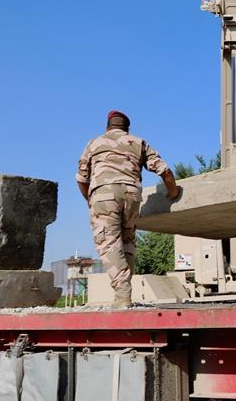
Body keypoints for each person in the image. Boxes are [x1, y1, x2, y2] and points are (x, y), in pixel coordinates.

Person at [76, 110, 181, 307]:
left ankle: (123, 296)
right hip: (132, 195)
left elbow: (82, 179)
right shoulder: (138, 142)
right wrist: (173, 192)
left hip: (103, 193)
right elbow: (165, 171)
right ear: (127, 128)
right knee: (127, 241)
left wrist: (91, 200)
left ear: (107, 127)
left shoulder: (94, 143)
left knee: (108, 242)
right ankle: (124, 291)